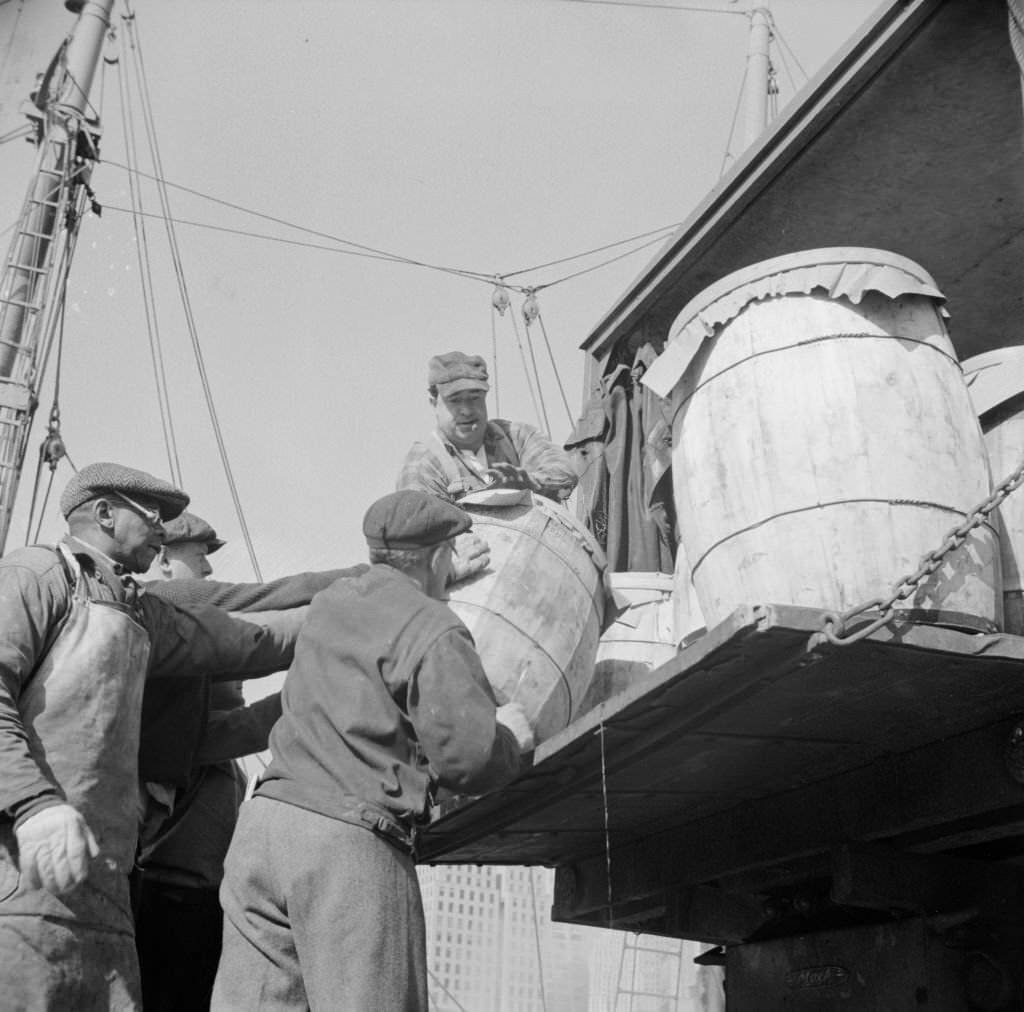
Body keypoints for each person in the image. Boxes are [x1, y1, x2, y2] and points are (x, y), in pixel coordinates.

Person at [0, 462, 308, 1012]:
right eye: (154, 517)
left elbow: (249, 641)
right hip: (22, 886)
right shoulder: (39, 575)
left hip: (107, 896)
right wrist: (32, 804)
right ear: (104, 514)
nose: (165, 530)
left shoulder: (139, 610)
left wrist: (354, 610)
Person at [211, 490, 535, 1011]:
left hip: (261, 833)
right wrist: (508, 740)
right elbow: (468, 759)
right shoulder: (434, 628)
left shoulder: (332, 604)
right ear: (437, 558)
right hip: (344, 847)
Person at [134, 511, 287, 1012]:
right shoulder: (169, 656)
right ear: (161, 560)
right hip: (171, 892)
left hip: (193, 893)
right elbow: (224, 732)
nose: (207, 573)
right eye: (198, 559)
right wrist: (308, 690)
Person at [396, 350, 578, 503]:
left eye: (474, 398)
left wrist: (530, 484)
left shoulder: (516, 437)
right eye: (455, 401)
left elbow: (564, 473)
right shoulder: (424, 463)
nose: (466, 410)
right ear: (434, 402)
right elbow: (417, 525)